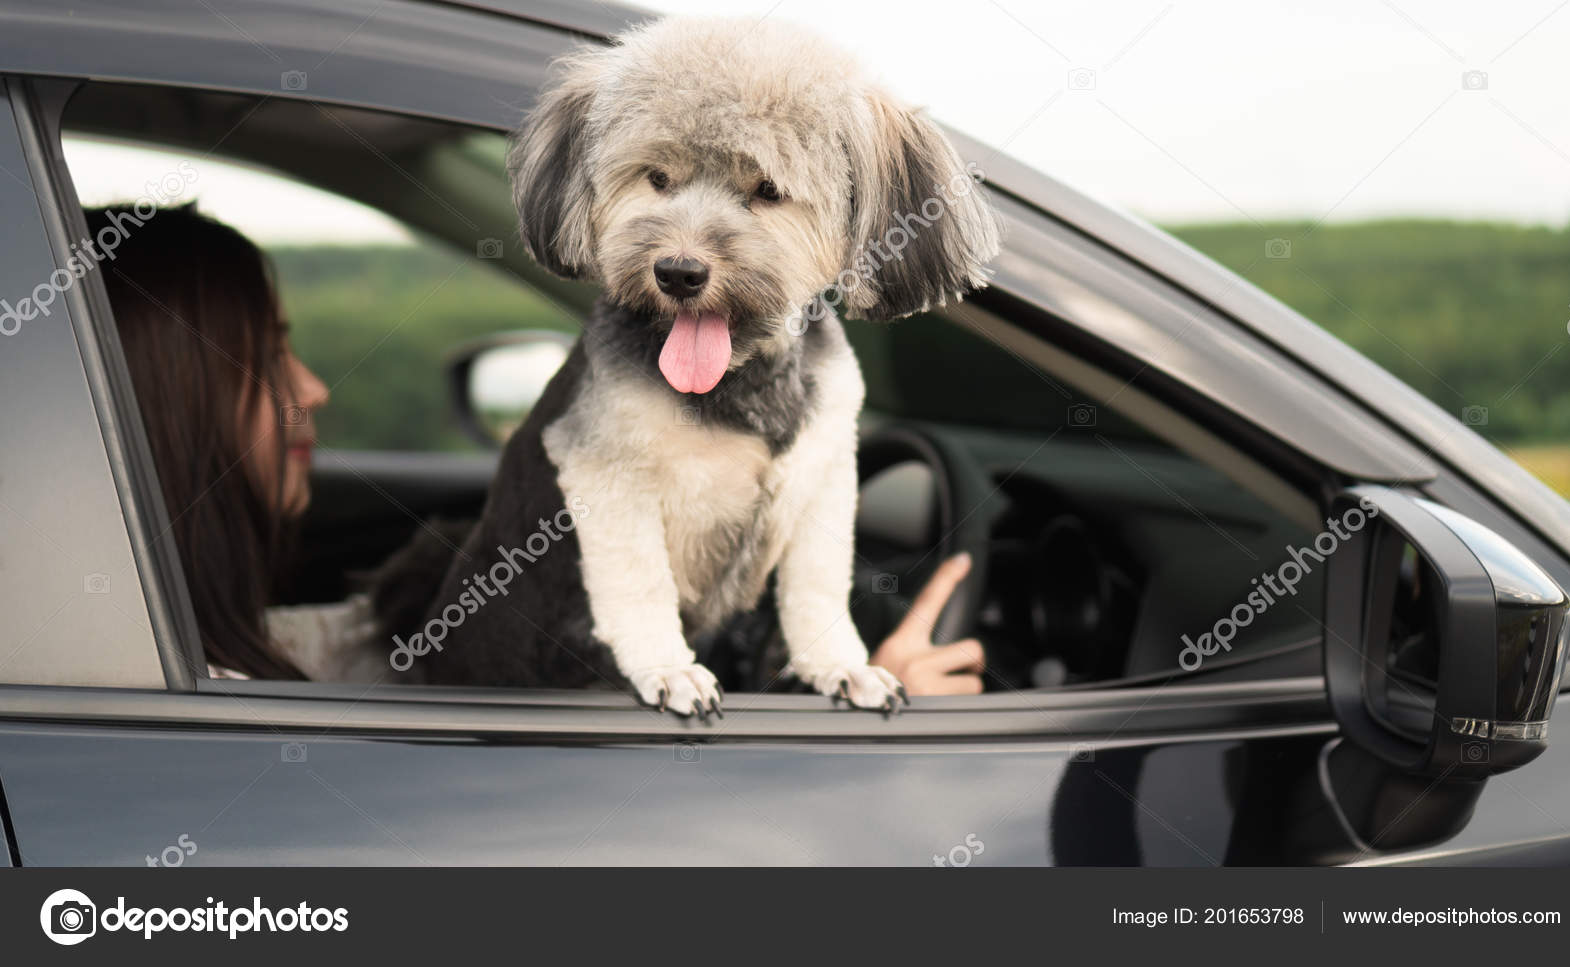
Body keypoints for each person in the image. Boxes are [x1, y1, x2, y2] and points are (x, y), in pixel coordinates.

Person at [93, 203, 986, 695]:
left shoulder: (211, 652)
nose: (313, 387)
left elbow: (380, 653)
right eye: (267, 354)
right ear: (167, 406)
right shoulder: (198, 697)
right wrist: (866, 706)